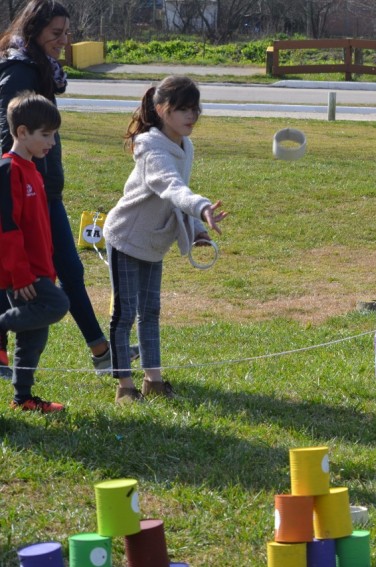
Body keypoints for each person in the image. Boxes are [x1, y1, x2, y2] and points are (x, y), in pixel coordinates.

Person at [0, 0, 133, 378]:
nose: (63, 41)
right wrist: (25, 188)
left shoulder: (39, 66)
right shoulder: (20, 70)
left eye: (66, 33)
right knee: (27, 281)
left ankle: (100, 351)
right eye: (56, 34)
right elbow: (7, 137)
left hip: (44, 191)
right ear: (34, 31)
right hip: (30, 195)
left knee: (69, 271)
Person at [104, 76, 227, 404]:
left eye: (195, 109)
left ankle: (153, 380)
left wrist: (197, 229)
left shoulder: (186, 146)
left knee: (151, 311)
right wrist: (202, 207)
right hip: (126, 239)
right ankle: (124, 386)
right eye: (182, 109)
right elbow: (171, 186)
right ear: (161, 110)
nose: (191, 116)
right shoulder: (151, 147)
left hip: (154, 243)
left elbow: (176, 198)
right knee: (125, 313)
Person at [0, 92, 69, 412]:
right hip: (23, 274)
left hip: (41, 269)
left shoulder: (34, 171)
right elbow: (7, 228)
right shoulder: (8, 169)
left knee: (33, 339)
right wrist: (21, 273)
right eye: (46, 135)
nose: (51, 142)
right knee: (57, 304)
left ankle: (22, 399)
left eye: (54, 135)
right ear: (22, 132)